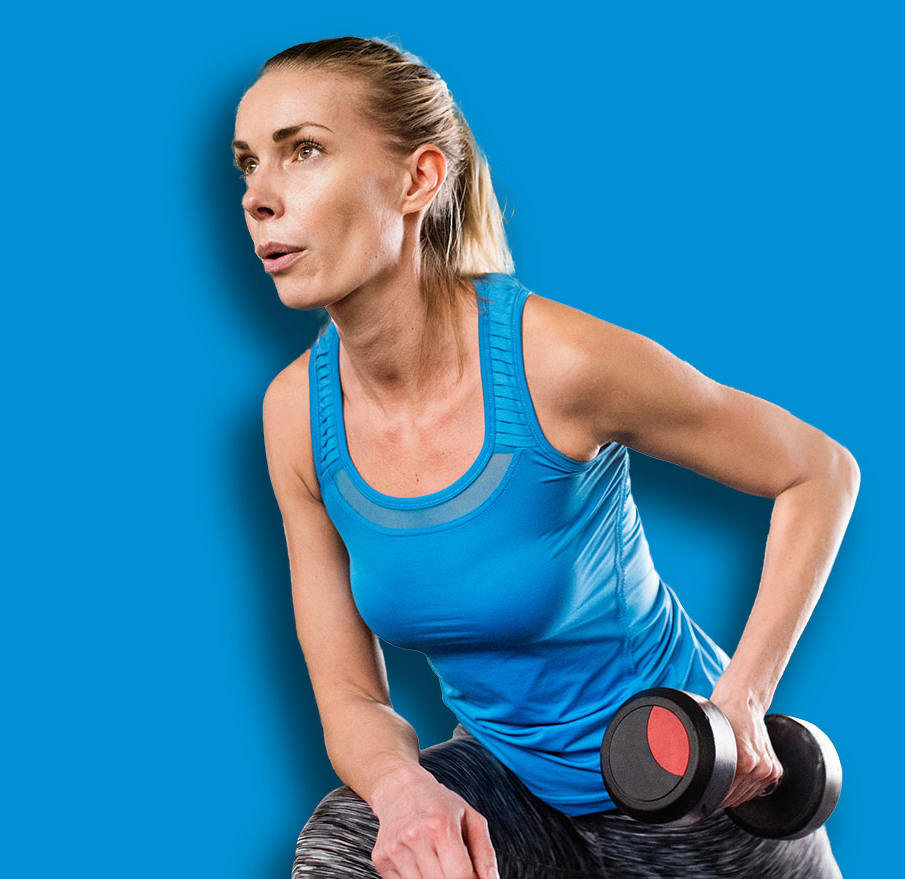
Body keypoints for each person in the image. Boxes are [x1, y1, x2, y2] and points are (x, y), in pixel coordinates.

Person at [240, 36, 858, 879]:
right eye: (247, 165)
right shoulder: (294, 419)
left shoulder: (554, 363)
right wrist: (400, 786)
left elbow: (817, 470)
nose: (259, 197)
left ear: (420, 178)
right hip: (512, 789)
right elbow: (349, 693)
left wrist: (744, 698)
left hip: (681, 782)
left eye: (303, 151)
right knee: (350, 846)